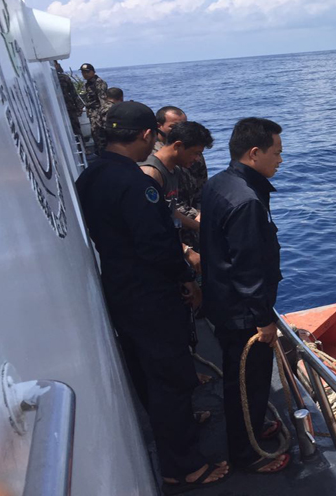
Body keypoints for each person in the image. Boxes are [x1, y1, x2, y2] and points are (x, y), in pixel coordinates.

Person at [76, 101, 229, 491]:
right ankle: (184, 467)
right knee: (172, 379)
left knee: (149, 374)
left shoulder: (90, 174)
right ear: (147, 135)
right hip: (151, 296)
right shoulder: (137, 183)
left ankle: (173, 432)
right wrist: (187, 280)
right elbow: (157, 246)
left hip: (121, 287)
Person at [200, 117, 288, 474]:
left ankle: (252, 427)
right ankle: (247, 453)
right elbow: (248, 271)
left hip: (221, 303)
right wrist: (264, 321)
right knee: (247, 383)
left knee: (243, 380)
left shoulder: (220, 183)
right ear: (254, 153)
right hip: (243, 315)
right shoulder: (248, 201)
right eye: (276, 153)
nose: (281, 160)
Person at [140, 121, 214, 272]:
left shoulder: (174, 171)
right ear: (178, 145)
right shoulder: (151, 174)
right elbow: (148, 227)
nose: (198, 159)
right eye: (196, 153)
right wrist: (186, 251)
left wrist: (202, 227)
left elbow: (170, 212)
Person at [79, 63, 110, 152]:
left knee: (101, 136)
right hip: (92, 114)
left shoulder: (99, 83)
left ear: (93, 72)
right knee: (96, 136)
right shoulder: (87, 85)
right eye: (83, 72)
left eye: (87, 72)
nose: (85, 74)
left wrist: (103, 116)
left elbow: (103, 100)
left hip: (98, 114)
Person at [55, 61, 83, 136]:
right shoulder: (63, 78)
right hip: (64, 108)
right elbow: (74, 93)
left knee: (75, 129)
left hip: (67, 108)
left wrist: (78, 107)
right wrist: (79, 107)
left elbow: (74, 93)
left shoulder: (63, 78)